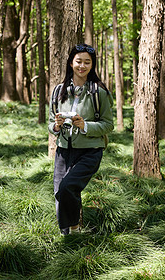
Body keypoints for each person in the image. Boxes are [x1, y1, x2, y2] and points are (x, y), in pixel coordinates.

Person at [48, 43, 114, 235]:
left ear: (92, 65)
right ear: (71, 63)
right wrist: (57, 125)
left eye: (87, 62)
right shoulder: (58, 91)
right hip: (63, 149)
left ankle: (74, 228)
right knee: (60, 193)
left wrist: (84, 125)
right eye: (78, 61)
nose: (82, 66)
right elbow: (51, 123)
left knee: (67, 187)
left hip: (90, 151)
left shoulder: (99, 92)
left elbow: (108, 124)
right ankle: (67, 236)